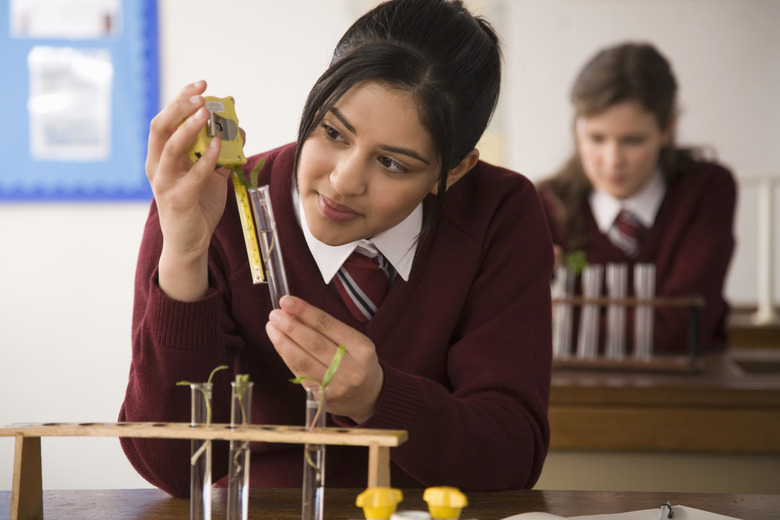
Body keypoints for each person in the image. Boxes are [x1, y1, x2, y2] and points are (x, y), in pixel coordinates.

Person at [119, 0, 553, 497]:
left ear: (454, 171)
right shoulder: (208, 200)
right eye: (332, 132)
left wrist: (378, 398)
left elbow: (512, 455)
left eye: (392, 163)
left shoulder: (501, 212)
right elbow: (172, 469)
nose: (343, 182)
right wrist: (183, 255)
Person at [537, 42, 736, 355]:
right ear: (577, 128)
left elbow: (681, 332)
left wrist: (560, 323)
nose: (613, 160)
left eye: (633, 140)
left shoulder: (706, 190)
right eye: (596, 138)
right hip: (573, 397)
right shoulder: (543, 204)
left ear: (667, 128)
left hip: (686, 396)